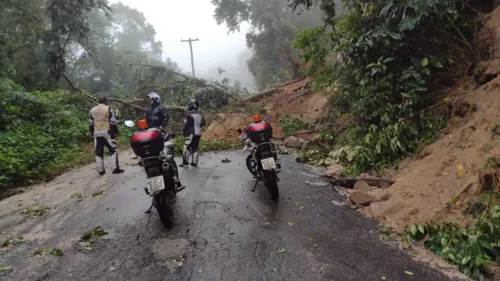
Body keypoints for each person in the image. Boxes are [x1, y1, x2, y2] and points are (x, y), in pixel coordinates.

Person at [89, 96, 124, 175]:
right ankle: (115, 169)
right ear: (105, 101)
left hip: (96, 133)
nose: (108, 101)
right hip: (107, 132)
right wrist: (115, 132)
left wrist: (92, 134)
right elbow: (113, 122)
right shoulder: (109, 109)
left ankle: (100, 170)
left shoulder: (92, 110)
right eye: (107, 100)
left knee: (98, 152)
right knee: (113, 150)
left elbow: (91, 124)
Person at [180, 98, 206, 167]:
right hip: (198, 133)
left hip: (191, 132)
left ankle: (185, 161)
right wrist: (198, 126)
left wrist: (184, 132)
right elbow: (203, 122)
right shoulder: (200, 114)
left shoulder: (189, 114)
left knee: (186, 146)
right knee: (195, 147)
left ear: (190, 105)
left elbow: (186, 124)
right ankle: (194, 162)